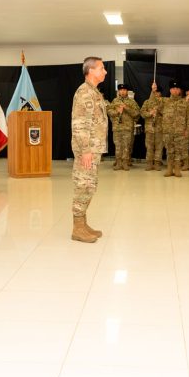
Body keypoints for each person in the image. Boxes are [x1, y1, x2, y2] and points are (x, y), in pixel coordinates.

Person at [71, 57, 108, 242]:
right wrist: (85, 150)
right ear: (91, 71)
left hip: (93, 149)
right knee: (83, 186)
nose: (105, 71)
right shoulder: (84, 92)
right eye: (102, 68)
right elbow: (79, 124)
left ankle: (83, 224)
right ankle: (78, 228)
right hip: (87, 150)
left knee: (89, 186)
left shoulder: (94, 92)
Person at [108, 83, 140, 170]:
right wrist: (117, 111)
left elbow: (137, 113)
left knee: (126, 146)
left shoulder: (132, 102)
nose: (122, 92)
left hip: (127, 128)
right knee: (118, 146)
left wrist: (127, 108)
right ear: (119, 91)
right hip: (117, 128)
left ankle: (125, 163)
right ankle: (118, 163)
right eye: (121, 90)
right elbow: (109, 112)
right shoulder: (114, 101)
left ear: (127, 91)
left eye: (124, 90)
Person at [140, 83, 165, 170]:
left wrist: (158, 111)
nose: (156, 94)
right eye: (155, 92)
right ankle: (149, 163)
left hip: (160, 129)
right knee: (149, 147)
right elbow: (142, 113)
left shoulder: (164, 102)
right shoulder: (147, 102)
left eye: (158, 92)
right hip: (149, 129)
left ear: (160, 93)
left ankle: (157, 163)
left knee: (159, 147)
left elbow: (167, 114)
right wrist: (150, 113)